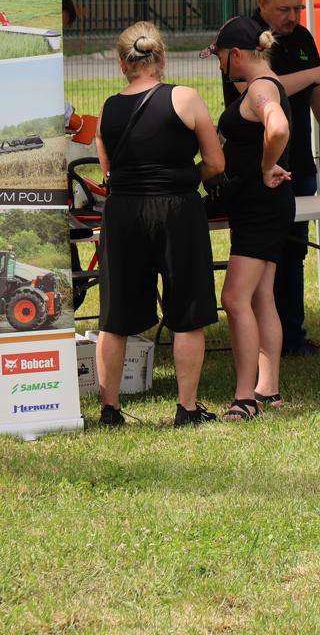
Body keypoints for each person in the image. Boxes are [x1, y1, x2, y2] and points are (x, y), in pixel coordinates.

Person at [93, 23, 226, 427]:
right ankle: (187, 408)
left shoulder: (108, 109)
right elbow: (216, 162)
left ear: (122, 64)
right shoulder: (185, 97)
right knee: (187, 311)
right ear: (162, 57)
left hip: (122, 212)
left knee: (114, 317)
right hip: (177, 211)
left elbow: (107, 170)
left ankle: (110, 410)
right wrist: (181, 179)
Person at [216, 0, 320, 357]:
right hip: (255, 176)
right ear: (262, 5)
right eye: (285, 9)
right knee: (259, 271)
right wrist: (316, 74)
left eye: (298, 7)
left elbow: (319, 99)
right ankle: (263, 354)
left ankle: (291, 338)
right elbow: (259, 89)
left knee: (293, 254)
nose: (293, 16)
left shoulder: (301, 38)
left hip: (294, 165)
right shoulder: (243, 41)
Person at [213, 18, 295, 421]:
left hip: (261, 207)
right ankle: (267, 389)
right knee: (262, 296)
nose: (218, 65)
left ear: (236, 55)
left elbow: (277, 127)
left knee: (234, 298)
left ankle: (244, 397)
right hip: (265, 206)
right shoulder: (267, 83)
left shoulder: (261, 88)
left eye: (219, 57)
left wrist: (265, 166)